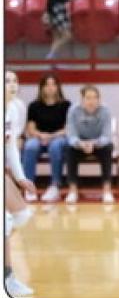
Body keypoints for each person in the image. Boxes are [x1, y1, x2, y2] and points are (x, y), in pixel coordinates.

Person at [5, 71, 36, 297]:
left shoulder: (14, 108)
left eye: (15, 80)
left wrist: (20, 177)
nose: (12, 85)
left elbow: (10, 146)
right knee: (5, 222)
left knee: (21, 216)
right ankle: (8, 279)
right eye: (6, 81)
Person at [22, 74, 71, 203]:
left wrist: (51, 136)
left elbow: (68, 129)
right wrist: (40, 135)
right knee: (30, 146)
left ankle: (54, 185)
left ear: (58, 87)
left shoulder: (66, 105)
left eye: (53, 84)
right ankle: (29, 186)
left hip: (58, 137)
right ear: (42, 87)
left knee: (55, 147)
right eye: (47, 84)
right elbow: (30, 128)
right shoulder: (34, 105)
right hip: (39, 136)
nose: (50, 88)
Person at [65, 85, 115, 204]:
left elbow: (107, 136)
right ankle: (72, 191)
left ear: (99, 99)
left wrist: (94, 143)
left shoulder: (106, 111)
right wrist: (80, 144)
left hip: (98, 144)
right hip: (80, 144)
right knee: (68, 148)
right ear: (82, 99)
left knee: (108, 147)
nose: (91, 101)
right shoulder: (73, 111)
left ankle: (107, 190)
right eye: (88, 98)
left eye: (95, 98)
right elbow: (71, 135)